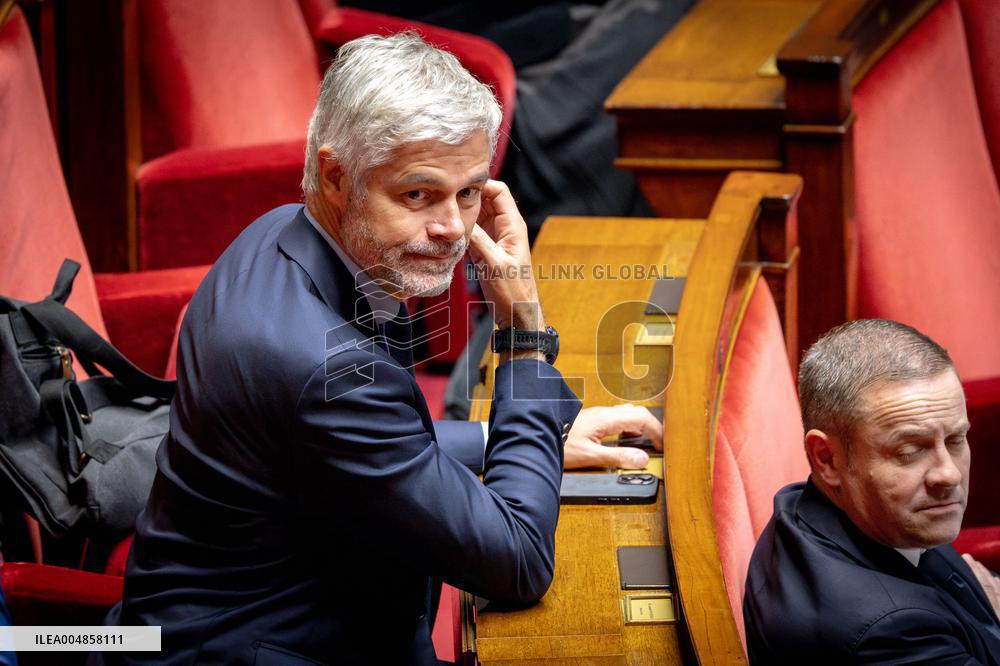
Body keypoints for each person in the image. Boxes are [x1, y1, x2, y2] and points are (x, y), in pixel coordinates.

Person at [97, 33, 660, 665]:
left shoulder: (277, 235)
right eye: (418, 194)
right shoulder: (322, 369)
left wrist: (505, 436)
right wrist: (523, 337)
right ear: (336, 176)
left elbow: (345, 442)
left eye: (469, 192)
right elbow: (520, 561)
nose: (452, 228)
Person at [744, 319, 1000, 663]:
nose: (949, 474)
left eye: (955, 440)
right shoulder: (888, 634)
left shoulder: (815, 506)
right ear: (827, 458)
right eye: (909, 451)